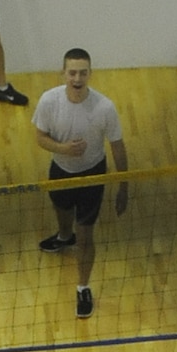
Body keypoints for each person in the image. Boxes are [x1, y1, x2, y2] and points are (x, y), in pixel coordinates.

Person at [32, 50, 130, 318]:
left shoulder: (104, 108)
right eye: (72, 72)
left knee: (87, 235)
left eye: (83, 72)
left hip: (92, 177)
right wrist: (63, 148)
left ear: (90, 74)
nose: (77, 78)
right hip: (60, 171)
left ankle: (83, 287)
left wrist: (123, 187)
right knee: (62, 212)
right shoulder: (49, 101)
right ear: (63, 73)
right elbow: (40, 137)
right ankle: (64, 237)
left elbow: (118, 148)